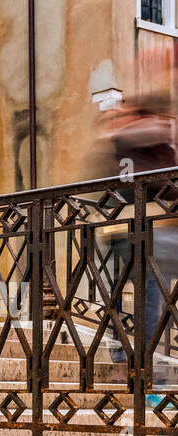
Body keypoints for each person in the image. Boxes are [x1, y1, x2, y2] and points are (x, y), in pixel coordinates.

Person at [99, 94, 178, 404]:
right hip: (151, 231)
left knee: (124, 299)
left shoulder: (119, 143)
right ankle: (140, 368)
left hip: (120, 230)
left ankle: (127, 362)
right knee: (150, 303)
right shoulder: (154, 145)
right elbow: (164, 184)